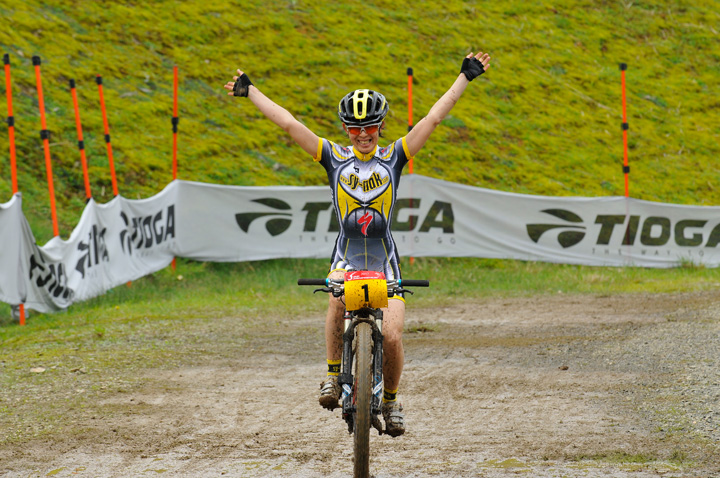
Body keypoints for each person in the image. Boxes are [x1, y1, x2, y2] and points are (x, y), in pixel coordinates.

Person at [224, 50, 491, 436]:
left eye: (370, 127)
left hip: (385, 260)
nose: (362, 135)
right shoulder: (332, 158)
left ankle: (393, 399)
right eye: (354, 128)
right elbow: (288, 123)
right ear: (346, 130)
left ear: (381, 127)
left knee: (395, 335)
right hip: (346, 255)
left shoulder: (395, 156)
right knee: (336, 298)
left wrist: (464, 77)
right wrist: (252, 93)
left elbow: (433, 118)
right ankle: (333, 376)